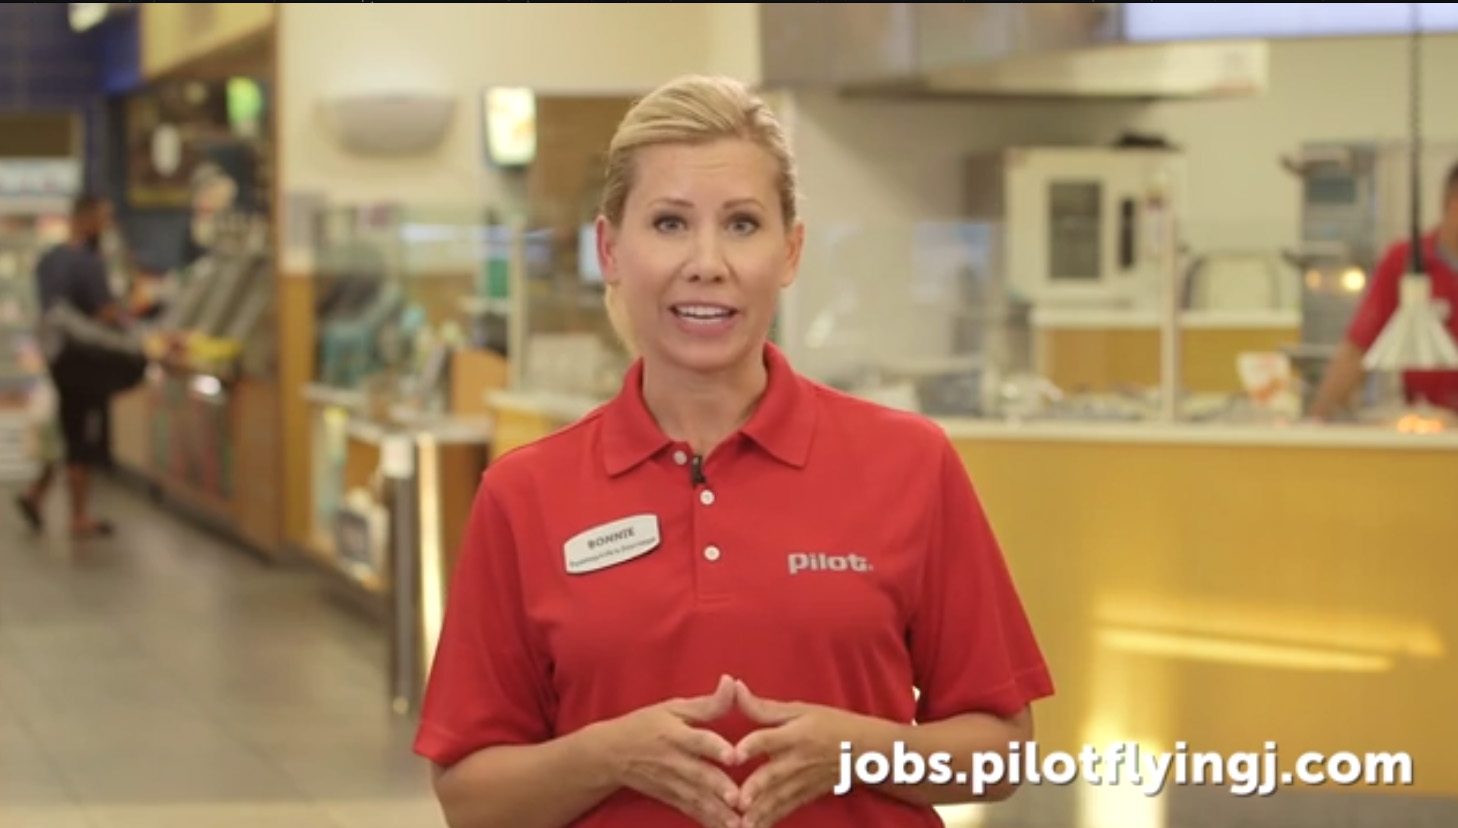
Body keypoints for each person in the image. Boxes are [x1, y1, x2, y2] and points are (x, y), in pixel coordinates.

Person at [414, 75, 1054, 828]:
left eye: (743, 224)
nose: (707, 262)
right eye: (670, 223)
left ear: (790, 251)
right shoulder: (525, 494)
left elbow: (1003, 754)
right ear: (610, 249)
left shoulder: (911, 463)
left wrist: (857, 753)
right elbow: (470, 800)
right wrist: (610, 756)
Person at [1310, 161, 1458, 419]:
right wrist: (1316, 422)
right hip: (1428, 421)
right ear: (1448, 203)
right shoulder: (1404, 261)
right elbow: (1356, 351)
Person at [13, 194, 124, 538]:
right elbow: (107, 312)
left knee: (65, 429)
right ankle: (78, 515)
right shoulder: (89, 263)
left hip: (58, 358)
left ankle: (36, 494)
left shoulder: (50, 260)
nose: (107, 224)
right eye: (104, 217)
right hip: (87, 362)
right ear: (86, 219)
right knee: (80, 436)